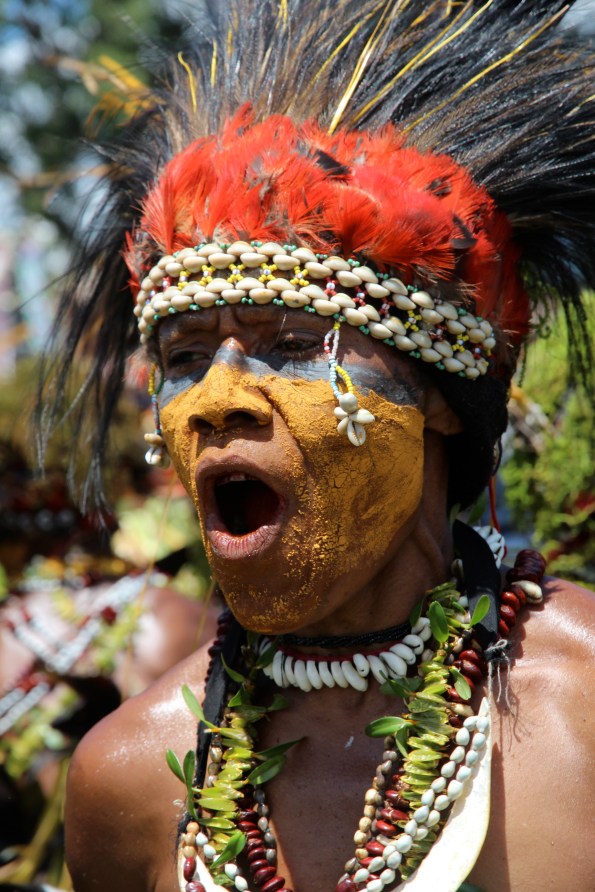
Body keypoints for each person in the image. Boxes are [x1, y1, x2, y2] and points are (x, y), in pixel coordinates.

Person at [39, 2, 595, 890]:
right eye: (183, 359)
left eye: (295, 345)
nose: (217, 400)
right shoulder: (132, 777)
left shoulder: (583, 707)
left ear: (438, 396)